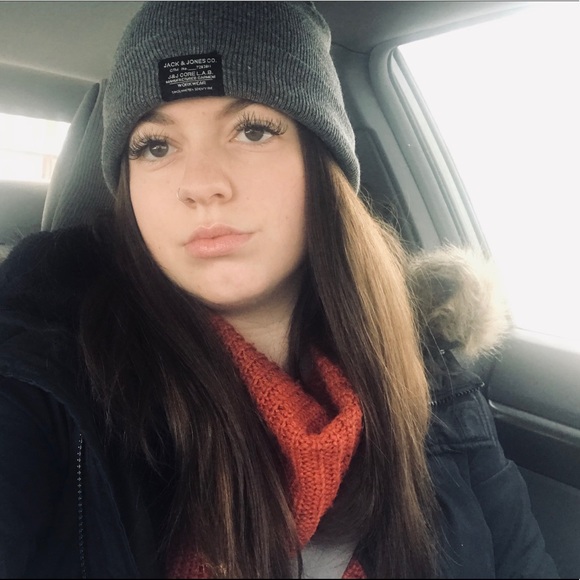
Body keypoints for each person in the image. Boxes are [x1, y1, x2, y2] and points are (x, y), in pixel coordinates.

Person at [0, 2, 558, 578]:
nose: (202, 184)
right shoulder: (43, 382)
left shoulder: (433, 383)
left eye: (253, 130)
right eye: (156, 146)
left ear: (323, 167)